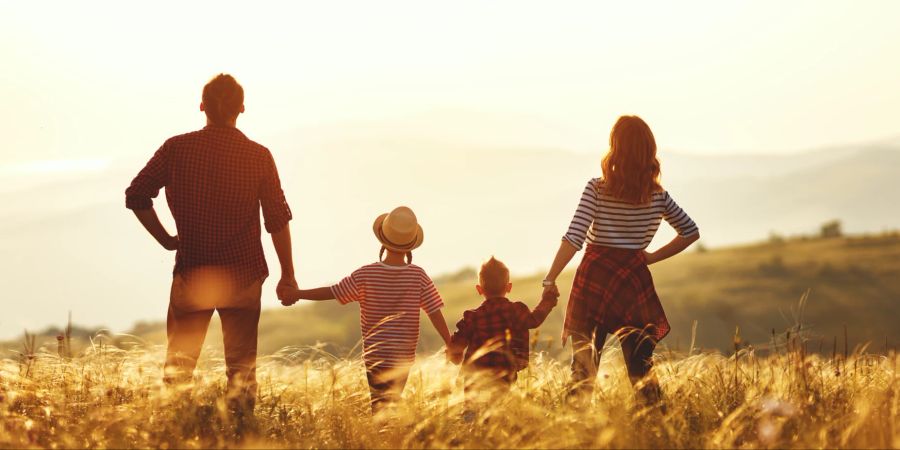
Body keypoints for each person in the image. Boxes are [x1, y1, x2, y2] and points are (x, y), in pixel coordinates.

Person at [125, 74, 296, 420]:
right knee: (242, 370)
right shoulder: (259, 156)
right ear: (242, 109)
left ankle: (171, 433)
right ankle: (243, 435)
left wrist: (165, 239)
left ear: (202, 106)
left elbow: (136, 195)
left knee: (179, 368)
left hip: (194, 273)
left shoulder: (176, 148)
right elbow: (277, 219)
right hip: (243, 275)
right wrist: (287, 276)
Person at [541, 115, 700, 405]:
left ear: (615, 148)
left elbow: (574, 238)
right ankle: (658, 431)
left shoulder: (596, 189)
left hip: (593, 279)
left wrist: (550, 278)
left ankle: (575, 432)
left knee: (583, 370)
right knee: (641, 371)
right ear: (648, 151)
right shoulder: (658, 197)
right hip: (633, 280)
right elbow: (690, 232)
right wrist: (649, 257)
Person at [278, 206, 452, 411]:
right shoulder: (418, 276)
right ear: (411, 245)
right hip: (403, 356)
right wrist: (450, 343)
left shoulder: (366, 275)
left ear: (382, 240)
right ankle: (399, 434)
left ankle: (388, 435)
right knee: (391, 402)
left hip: (375, 355)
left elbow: (332, 292)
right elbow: (434, 311)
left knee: (380, 405)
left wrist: (298, 294)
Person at [446, 257, 558, 405]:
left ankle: (470, 422)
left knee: (471, 410)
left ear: (479, 289)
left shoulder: (471, 317)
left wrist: (454, 355)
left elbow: (457, 345)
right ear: (509, 287)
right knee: (499, 409)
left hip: (474, 376)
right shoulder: (516, 310)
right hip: (504, 373)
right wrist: (548, 299)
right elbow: (534, 320)